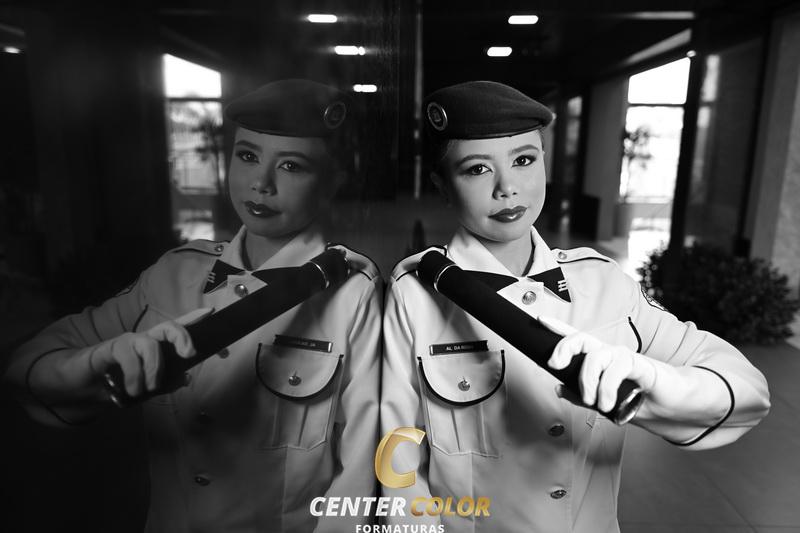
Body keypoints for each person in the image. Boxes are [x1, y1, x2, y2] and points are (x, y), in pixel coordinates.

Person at [380, 80, 770, 532]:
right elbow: (399, 463)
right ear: (443, 187)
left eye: (524, 160)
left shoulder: (603, 282)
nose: (507, 188)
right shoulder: (415, 293)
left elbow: (748, 392)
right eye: (477, 169)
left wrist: (655, 383)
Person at [2, 79, 382, 533]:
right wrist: (94, 364)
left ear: (334, 181)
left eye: (291, 166)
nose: (260, 184)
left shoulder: (352, 293)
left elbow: (358, 476)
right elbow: (26, 368)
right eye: (247, 156)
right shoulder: (174, 273)